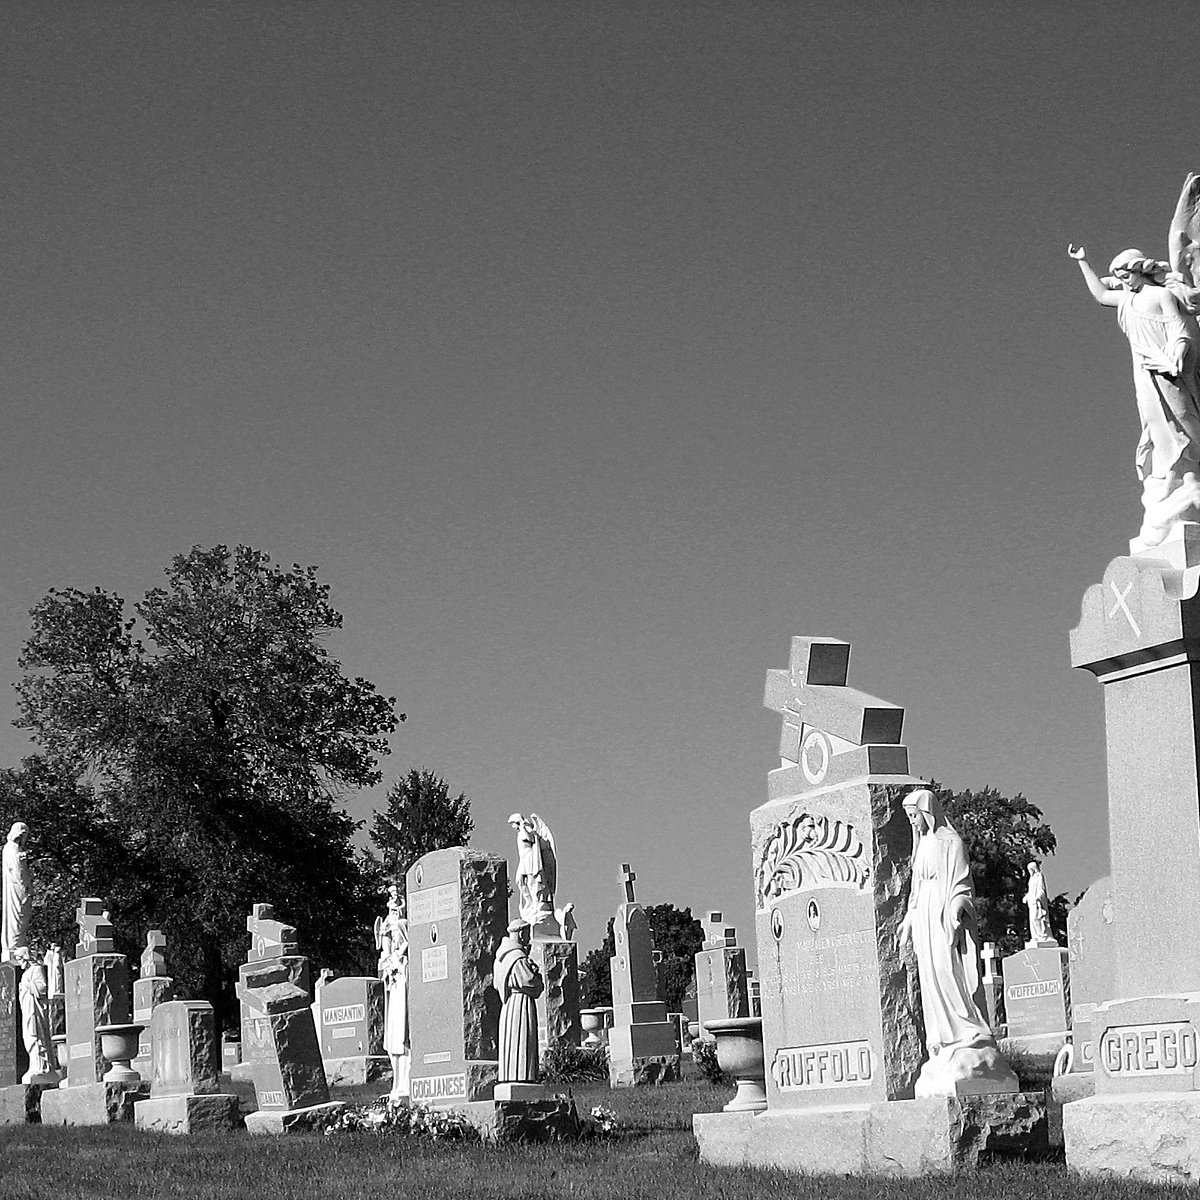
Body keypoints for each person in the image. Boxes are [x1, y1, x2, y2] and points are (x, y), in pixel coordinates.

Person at [1068, 241, 1200, 546]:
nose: (1123, 280)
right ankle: (1170, 480)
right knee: (1156, 427)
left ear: (1140, 270)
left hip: (1170, 369)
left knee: (1182, 418)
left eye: (1126, 273)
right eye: (1120, 275)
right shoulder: (1127, 300)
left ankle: (1190, 474)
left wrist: (1178, 351)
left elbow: (1179, 328)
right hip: (1145, 372)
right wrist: (1083, 262)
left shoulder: (1162, 295)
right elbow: (1100, 294)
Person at [898, 789, 1016, 1097]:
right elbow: (916, 888)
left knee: (947, 970)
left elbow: (962, 882)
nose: (913, 823)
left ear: (928, 813)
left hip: (943, 914)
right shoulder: (921, 845)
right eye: (909, 818)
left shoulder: (950, 843)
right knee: (930, 976)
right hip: (924, 916)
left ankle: (968, 1030)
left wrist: (957, 905)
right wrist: (909, 918)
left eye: (915, 816)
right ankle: (944, 1040)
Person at [493, 920, 543, 1084]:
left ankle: (511, 1076)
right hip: (521, 1004)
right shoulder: (517, 957)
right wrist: (538, 976)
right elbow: (531, 983)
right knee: (522, 1040)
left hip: (507, 1006)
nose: (529, 937)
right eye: (527, 933)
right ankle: (523, 1077)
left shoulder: (501, 956)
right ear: (521, 933)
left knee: (511, 1043)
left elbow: (496, 983)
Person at [374, 885, 410, 1098]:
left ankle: (405, 1083)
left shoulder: (404, 926)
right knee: (394, 1039)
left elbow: (406, 945)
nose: (392, 938)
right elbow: (384, 959)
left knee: (403, 1038)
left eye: (394, 934)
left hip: (403, 984)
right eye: (389, 935)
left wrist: (398, 959)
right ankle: (397, 1084)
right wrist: (388, 964)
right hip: (393, 986)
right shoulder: (389, 937)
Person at [507, 813, 556, 929]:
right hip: (523, 859)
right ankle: (529, 902)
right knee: (519, 881)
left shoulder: (526, 829)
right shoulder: (520, 832)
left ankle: (536, 902)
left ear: (517, 822)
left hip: (530, 858)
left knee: (531, 882)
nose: (512, 826)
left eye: (513, 823)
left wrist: (524, 827)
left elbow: (531, 838)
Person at [2, 822, 31, 963]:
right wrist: (25, 888)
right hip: (17, 889)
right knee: (19, 914)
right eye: (25, 835)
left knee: (21, 915)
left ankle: (16, 944)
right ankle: (15, 946)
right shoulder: (12, 848)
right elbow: (17, 872)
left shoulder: (12, 849)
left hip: (17, 887)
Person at [1024, 861, 1053, 945]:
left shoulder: (1039, 876)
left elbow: (1041, 889)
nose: (1030, 871)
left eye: (1030, 869)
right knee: (1032, 919)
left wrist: (1038, 897)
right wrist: (1026, 897)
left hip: (1038, 902)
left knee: (1038, 918)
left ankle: (1042, 935)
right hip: (1032, 902)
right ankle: (1036, 936)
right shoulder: (1031, 878)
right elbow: (1031, 891)